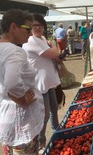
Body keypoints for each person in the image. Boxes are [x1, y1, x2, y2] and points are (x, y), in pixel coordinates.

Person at [0, 9, 44, 154]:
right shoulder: (14, 51)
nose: (30, 32)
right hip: (20, 121)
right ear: (13, 27)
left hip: (1, 117)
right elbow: (12, 83)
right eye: (28, 28)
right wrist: (20, 99)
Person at [22, 14, 61, 152]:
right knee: (43, 115)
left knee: (54, 108)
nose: (37, 28)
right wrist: (55, 46)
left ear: (44, 26)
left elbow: (53, 55)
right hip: (39, 84)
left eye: (40, 25)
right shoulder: (31, 41)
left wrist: (53, 49)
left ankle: (57, 130)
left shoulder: (43, 38)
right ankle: (41, 142)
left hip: (48, 82)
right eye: (34, 25)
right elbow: (55, 53)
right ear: (30, 28)